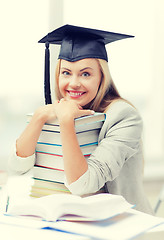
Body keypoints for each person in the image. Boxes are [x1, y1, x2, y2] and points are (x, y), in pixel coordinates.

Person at [8, 25, 153, 214]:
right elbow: (16, 169)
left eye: (85, 74)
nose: (74, 83)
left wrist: (66, 121)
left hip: (119, 222)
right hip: (67, 221)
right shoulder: (55, 111)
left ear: (102, 76)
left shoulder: (124, 116)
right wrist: (40, 116)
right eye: (66, 72)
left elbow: (83, 185)